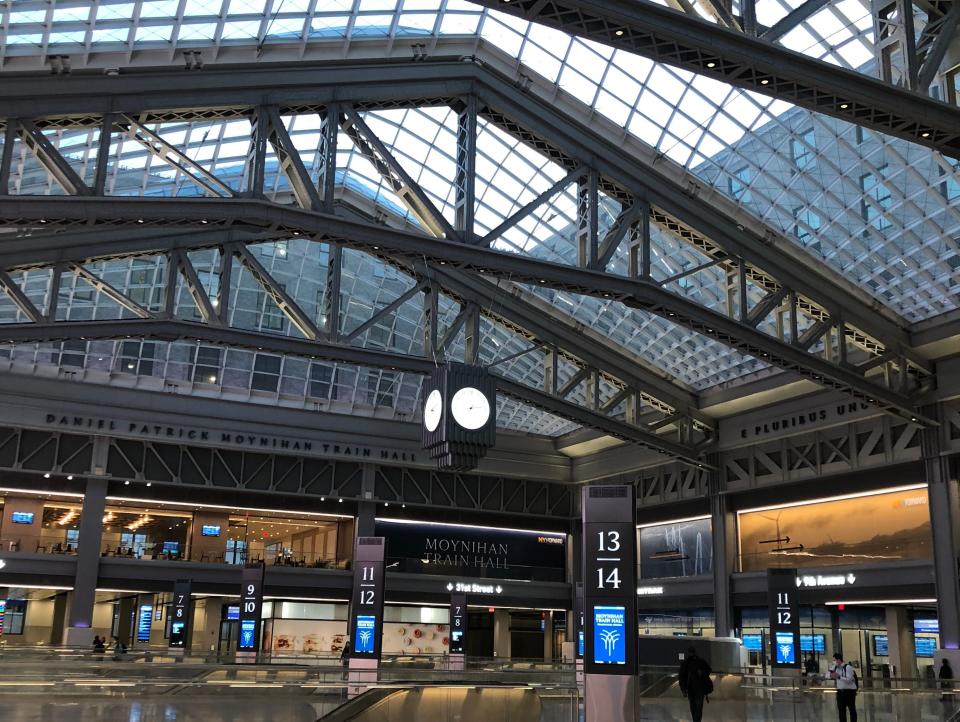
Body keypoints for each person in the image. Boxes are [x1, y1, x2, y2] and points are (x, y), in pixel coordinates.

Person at [678, 646, 713, 722]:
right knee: (697, 707)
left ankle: (696, 720)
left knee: (694, 706)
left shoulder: (686, 663)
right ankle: (696, 720)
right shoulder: (698, 662)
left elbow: (681, 677)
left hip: (693, 688)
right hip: (697, 688)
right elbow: (708, 670)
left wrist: (683, 689)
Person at [829, 652, 857, 722]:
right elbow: (828, 675)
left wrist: (839, 676)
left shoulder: (848, 667)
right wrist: (831, 675)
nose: (834, 662)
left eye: (835, 660)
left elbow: (849, 679)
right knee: (841, 711)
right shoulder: (835, 668)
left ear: (839, 660)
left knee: (852, 709)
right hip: (840, 692)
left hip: (849, 692)